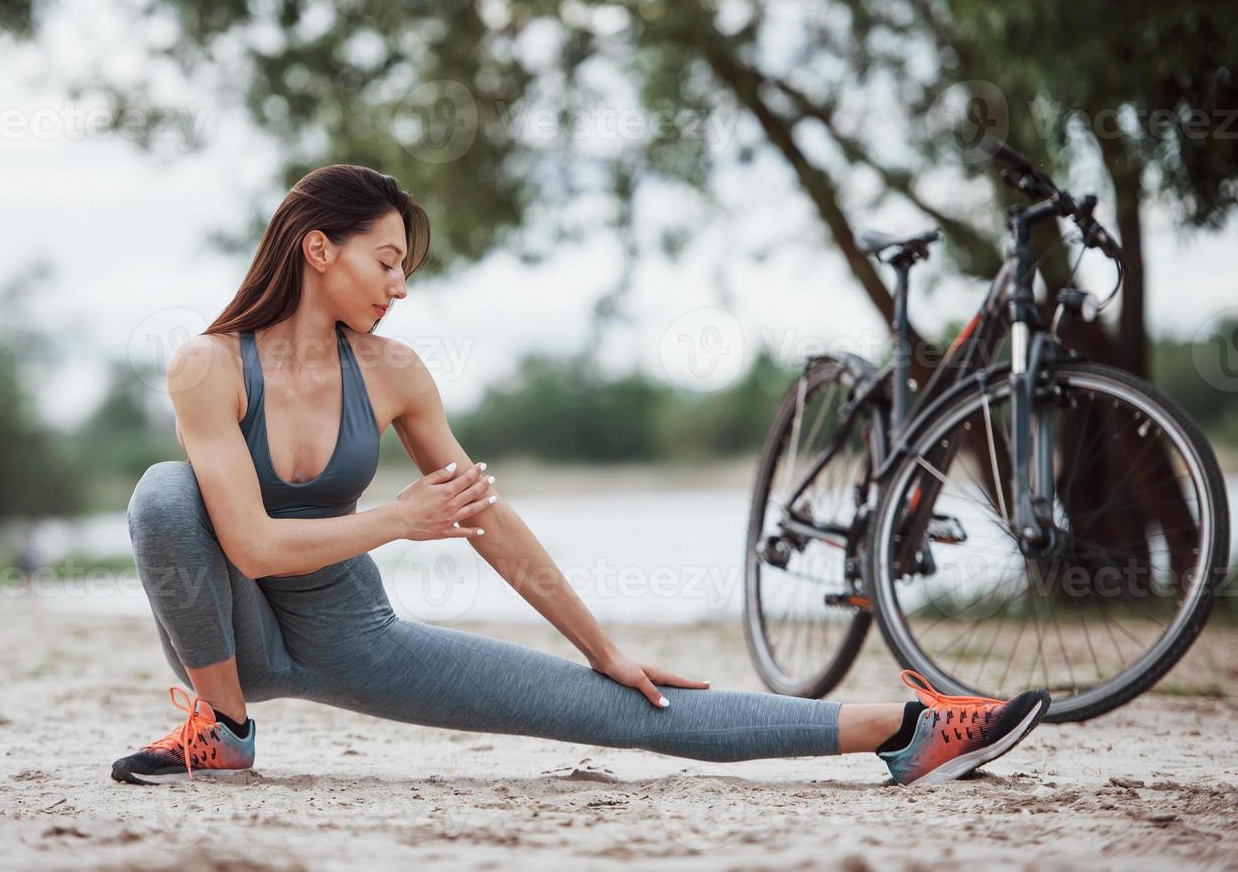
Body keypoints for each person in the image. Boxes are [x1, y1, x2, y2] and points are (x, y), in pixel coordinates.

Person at [113, 165, 1049, 789]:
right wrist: (397, 520)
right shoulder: (207, 365)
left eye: (406, 269)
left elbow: (487, 518)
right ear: (319, 248)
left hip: (356, 640)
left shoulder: (394, 372)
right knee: (165, 492)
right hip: (231, 640)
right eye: (387, 261)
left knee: (624, 711)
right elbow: (249, 544)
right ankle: (222, 733)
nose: (400, 286)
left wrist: (603, 646)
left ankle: (907, 732)